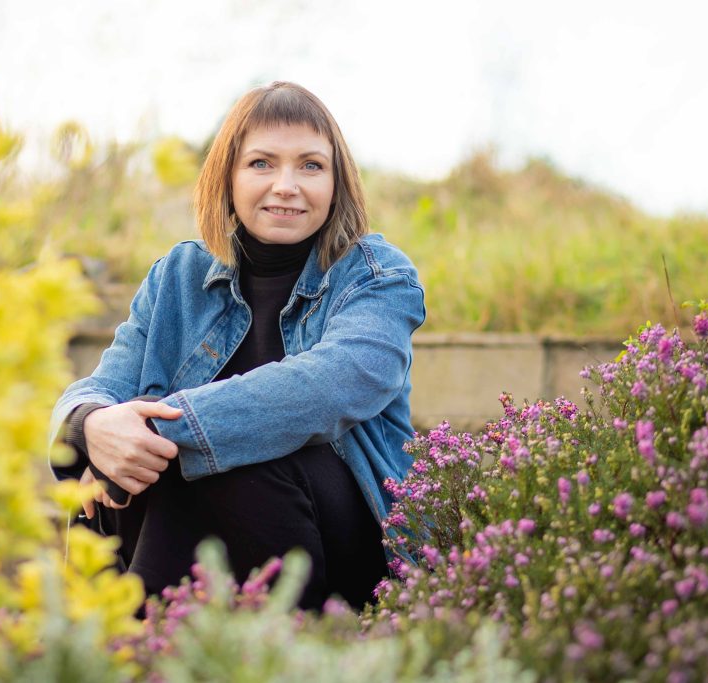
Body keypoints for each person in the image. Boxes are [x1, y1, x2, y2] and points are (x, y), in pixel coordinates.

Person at [49, 81, 426, 610]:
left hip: (346, 543)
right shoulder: (177, 276)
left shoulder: (377, 279)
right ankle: (107, 644)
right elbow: (104, 386)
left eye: (311, 166)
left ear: (338, 183)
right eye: (262, 164)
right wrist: (89, 427)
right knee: (117, 466)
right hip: (195, 526)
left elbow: (328, 386)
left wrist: (156, 432)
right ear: (227, 177)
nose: (287, 185)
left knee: (226, 459)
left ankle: (154, 638)